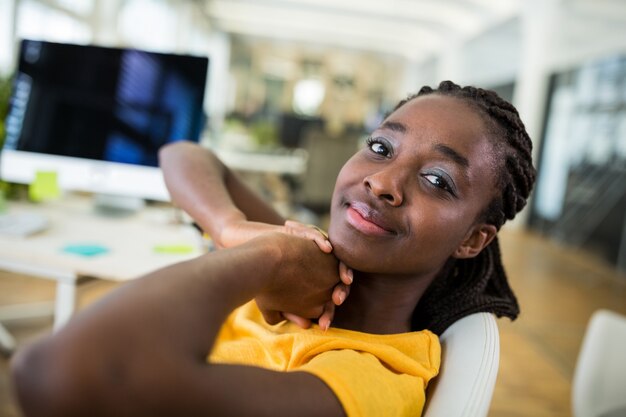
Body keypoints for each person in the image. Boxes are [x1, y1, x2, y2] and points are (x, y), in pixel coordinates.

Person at [10, 81, 536, 417]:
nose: (383, 182)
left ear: (472, 239)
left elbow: (60, 373)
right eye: (380, 147)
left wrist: (271, 258)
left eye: (438, 180)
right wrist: (230, 226)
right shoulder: (322, 262)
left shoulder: (371, 382)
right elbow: (184, 154)